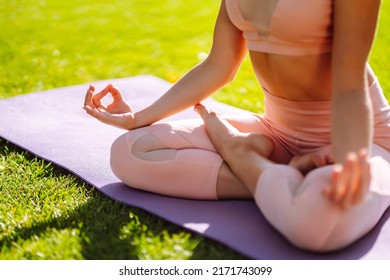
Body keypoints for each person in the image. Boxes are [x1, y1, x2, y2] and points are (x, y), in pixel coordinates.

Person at [83, 0, 390, 252]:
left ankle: (244, 157)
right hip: (277, 133)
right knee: (129, 152)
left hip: (363, 137)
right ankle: (276, 174)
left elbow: (351, 86)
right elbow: (219, 64)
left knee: (318, 224)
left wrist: (354, 157)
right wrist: (137, 118)